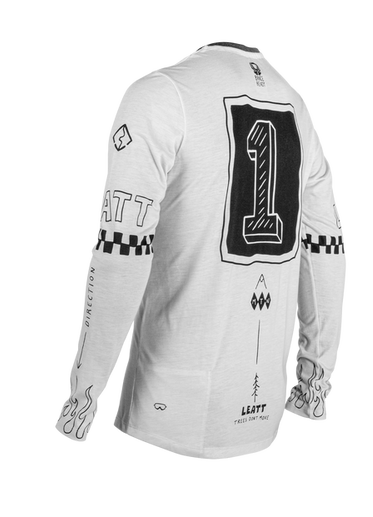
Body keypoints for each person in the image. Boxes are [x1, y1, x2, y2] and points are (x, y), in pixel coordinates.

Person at [52, 37, 349, 462]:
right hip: (265, 415)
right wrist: (313, 387)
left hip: (166, 415)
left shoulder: (160, 92)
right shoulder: (295, 101)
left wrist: (81, 402)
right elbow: (327, 248)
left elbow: (121, 253)